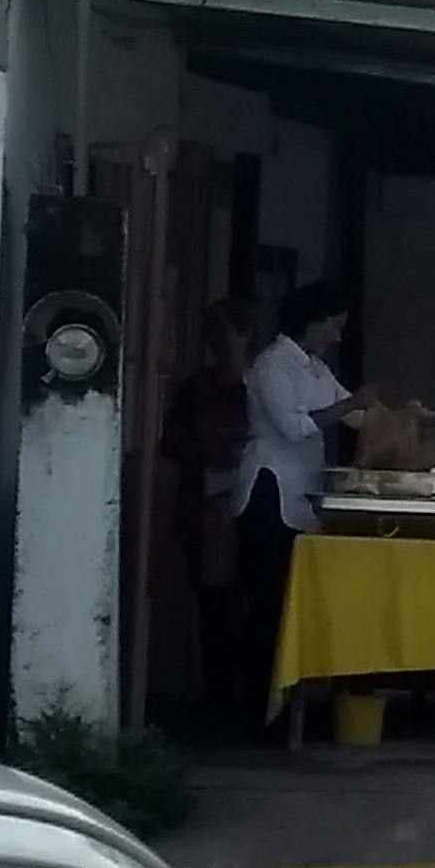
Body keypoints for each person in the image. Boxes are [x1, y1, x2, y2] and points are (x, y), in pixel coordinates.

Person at [233, 282, 370, 727]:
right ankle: (257, 712)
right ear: (312, 322)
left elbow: (353, 413)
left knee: (290, 602)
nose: (337, 336)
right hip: (268, 494)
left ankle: (287, 705)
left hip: (302, 496)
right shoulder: (274, 365)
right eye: (334, 326)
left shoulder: (314, 368)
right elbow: (294, 427)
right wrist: (352, 404)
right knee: (265, 606)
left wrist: (398, 418)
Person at [156, 297, 262, 725]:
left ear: (246, 337)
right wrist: (206, 451)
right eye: (213, 337)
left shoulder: (259, 386)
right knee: (214, 606)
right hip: (204, 508)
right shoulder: (196, 388)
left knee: (250, 604)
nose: (220, 345)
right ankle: (218, 695)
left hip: (249, 504)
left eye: (227, 335)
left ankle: (245, 695)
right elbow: (171, 442)